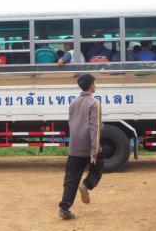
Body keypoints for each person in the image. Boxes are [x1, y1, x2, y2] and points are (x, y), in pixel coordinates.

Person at [58, 73, 104, 220]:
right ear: (91, 85)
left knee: (71, 178)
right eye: (94, 83)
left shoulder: (73, 102)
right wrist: (94, 150)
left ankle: (64, 208)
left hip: (74, 146)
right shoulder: (94, 103)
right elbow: (94, 128)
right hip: (88, 146)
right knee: (98, 168)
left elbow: (73, 124)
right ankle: (86, 185)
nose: (95, 85)